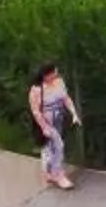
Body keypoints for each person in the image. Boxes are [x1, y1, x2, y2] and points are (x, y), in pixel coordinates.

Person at [29, 63, 79, 191]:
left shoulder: (59, 82)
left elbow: (65, 98)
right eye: (53, 72)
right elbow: (35, 110)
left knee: (49, 147)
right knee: (58, 145)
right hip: (46, 121)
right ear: (46, 75)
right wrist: (44, 127)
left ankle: (48, 172)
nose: (56, 73)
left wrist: (73, 113)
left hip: (58, 118)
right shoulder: (37, 89)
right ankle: (58, 174)